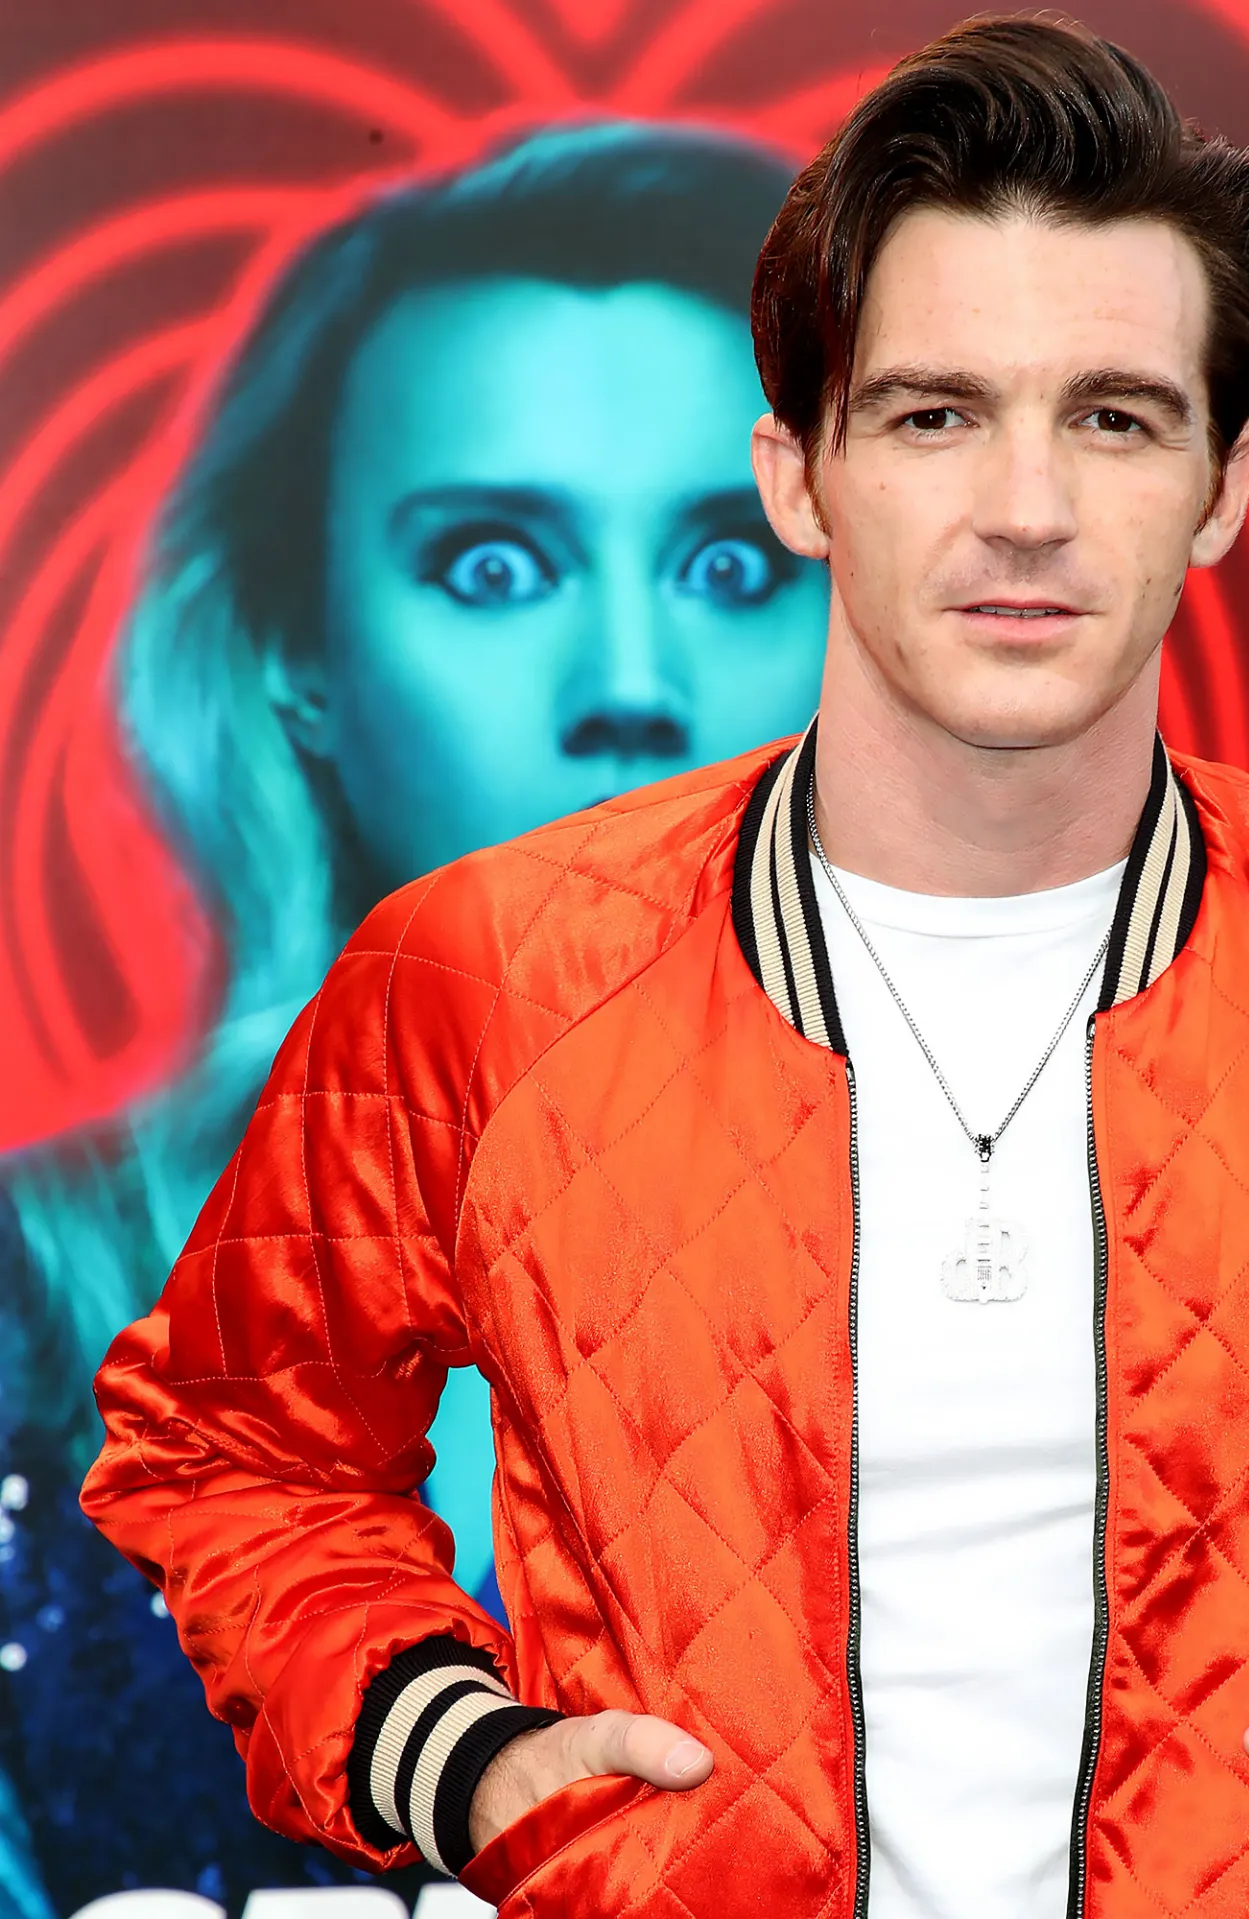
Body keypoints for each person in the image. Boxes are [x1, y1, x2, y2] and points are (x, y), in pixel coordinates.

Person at [80, 18, 1249, 1917]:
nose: (1025, 509)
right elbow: (234, 1450)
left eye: (1114, 417)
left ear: (1223, 484)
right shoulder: (474, 974)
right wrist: (446, 1755)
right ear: (800, 477)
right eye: (933, 415)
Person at [0, 120, 824, 1915]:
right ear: (296, 653)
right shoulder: (29, 1302)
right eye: (493, 566)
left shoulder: (1152, 1281)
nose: (629, 689)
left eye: (731, 564)